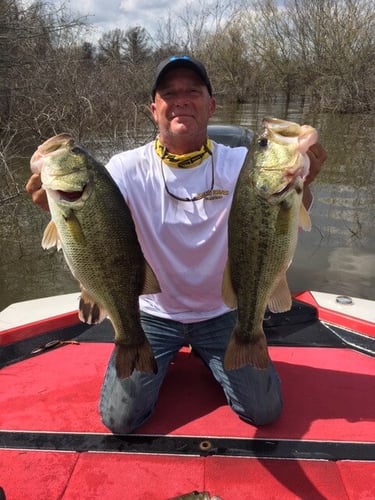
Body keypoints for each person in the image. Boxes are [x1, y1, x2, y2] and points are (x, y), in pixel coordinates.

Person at [26, 55, 327, 434]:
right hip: (153, 315)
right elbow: (95, 232)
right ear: (154, 109)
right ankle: (171, 353)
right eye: (169, 93)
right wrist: (54, 206)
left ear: (211, 105)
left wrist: (305, 178)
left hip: (221, 313)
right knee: (120, 421)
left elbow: (284, 214)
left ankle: (211, 350)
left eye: (193, 92)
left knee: (264, 412)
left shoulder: (243, 163)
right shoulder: (122, 169)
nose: (181, 99)